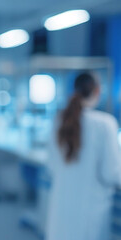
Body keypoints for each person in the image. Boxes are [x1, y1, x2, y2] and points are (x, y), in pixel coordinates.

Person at [46, 72, 121, 240]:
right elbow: (112, 174)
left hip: (62, 209)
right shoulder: (105, 124)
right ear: (97, 91)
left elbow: (51, 166)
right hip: (90, 212)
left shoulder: (60, 119)